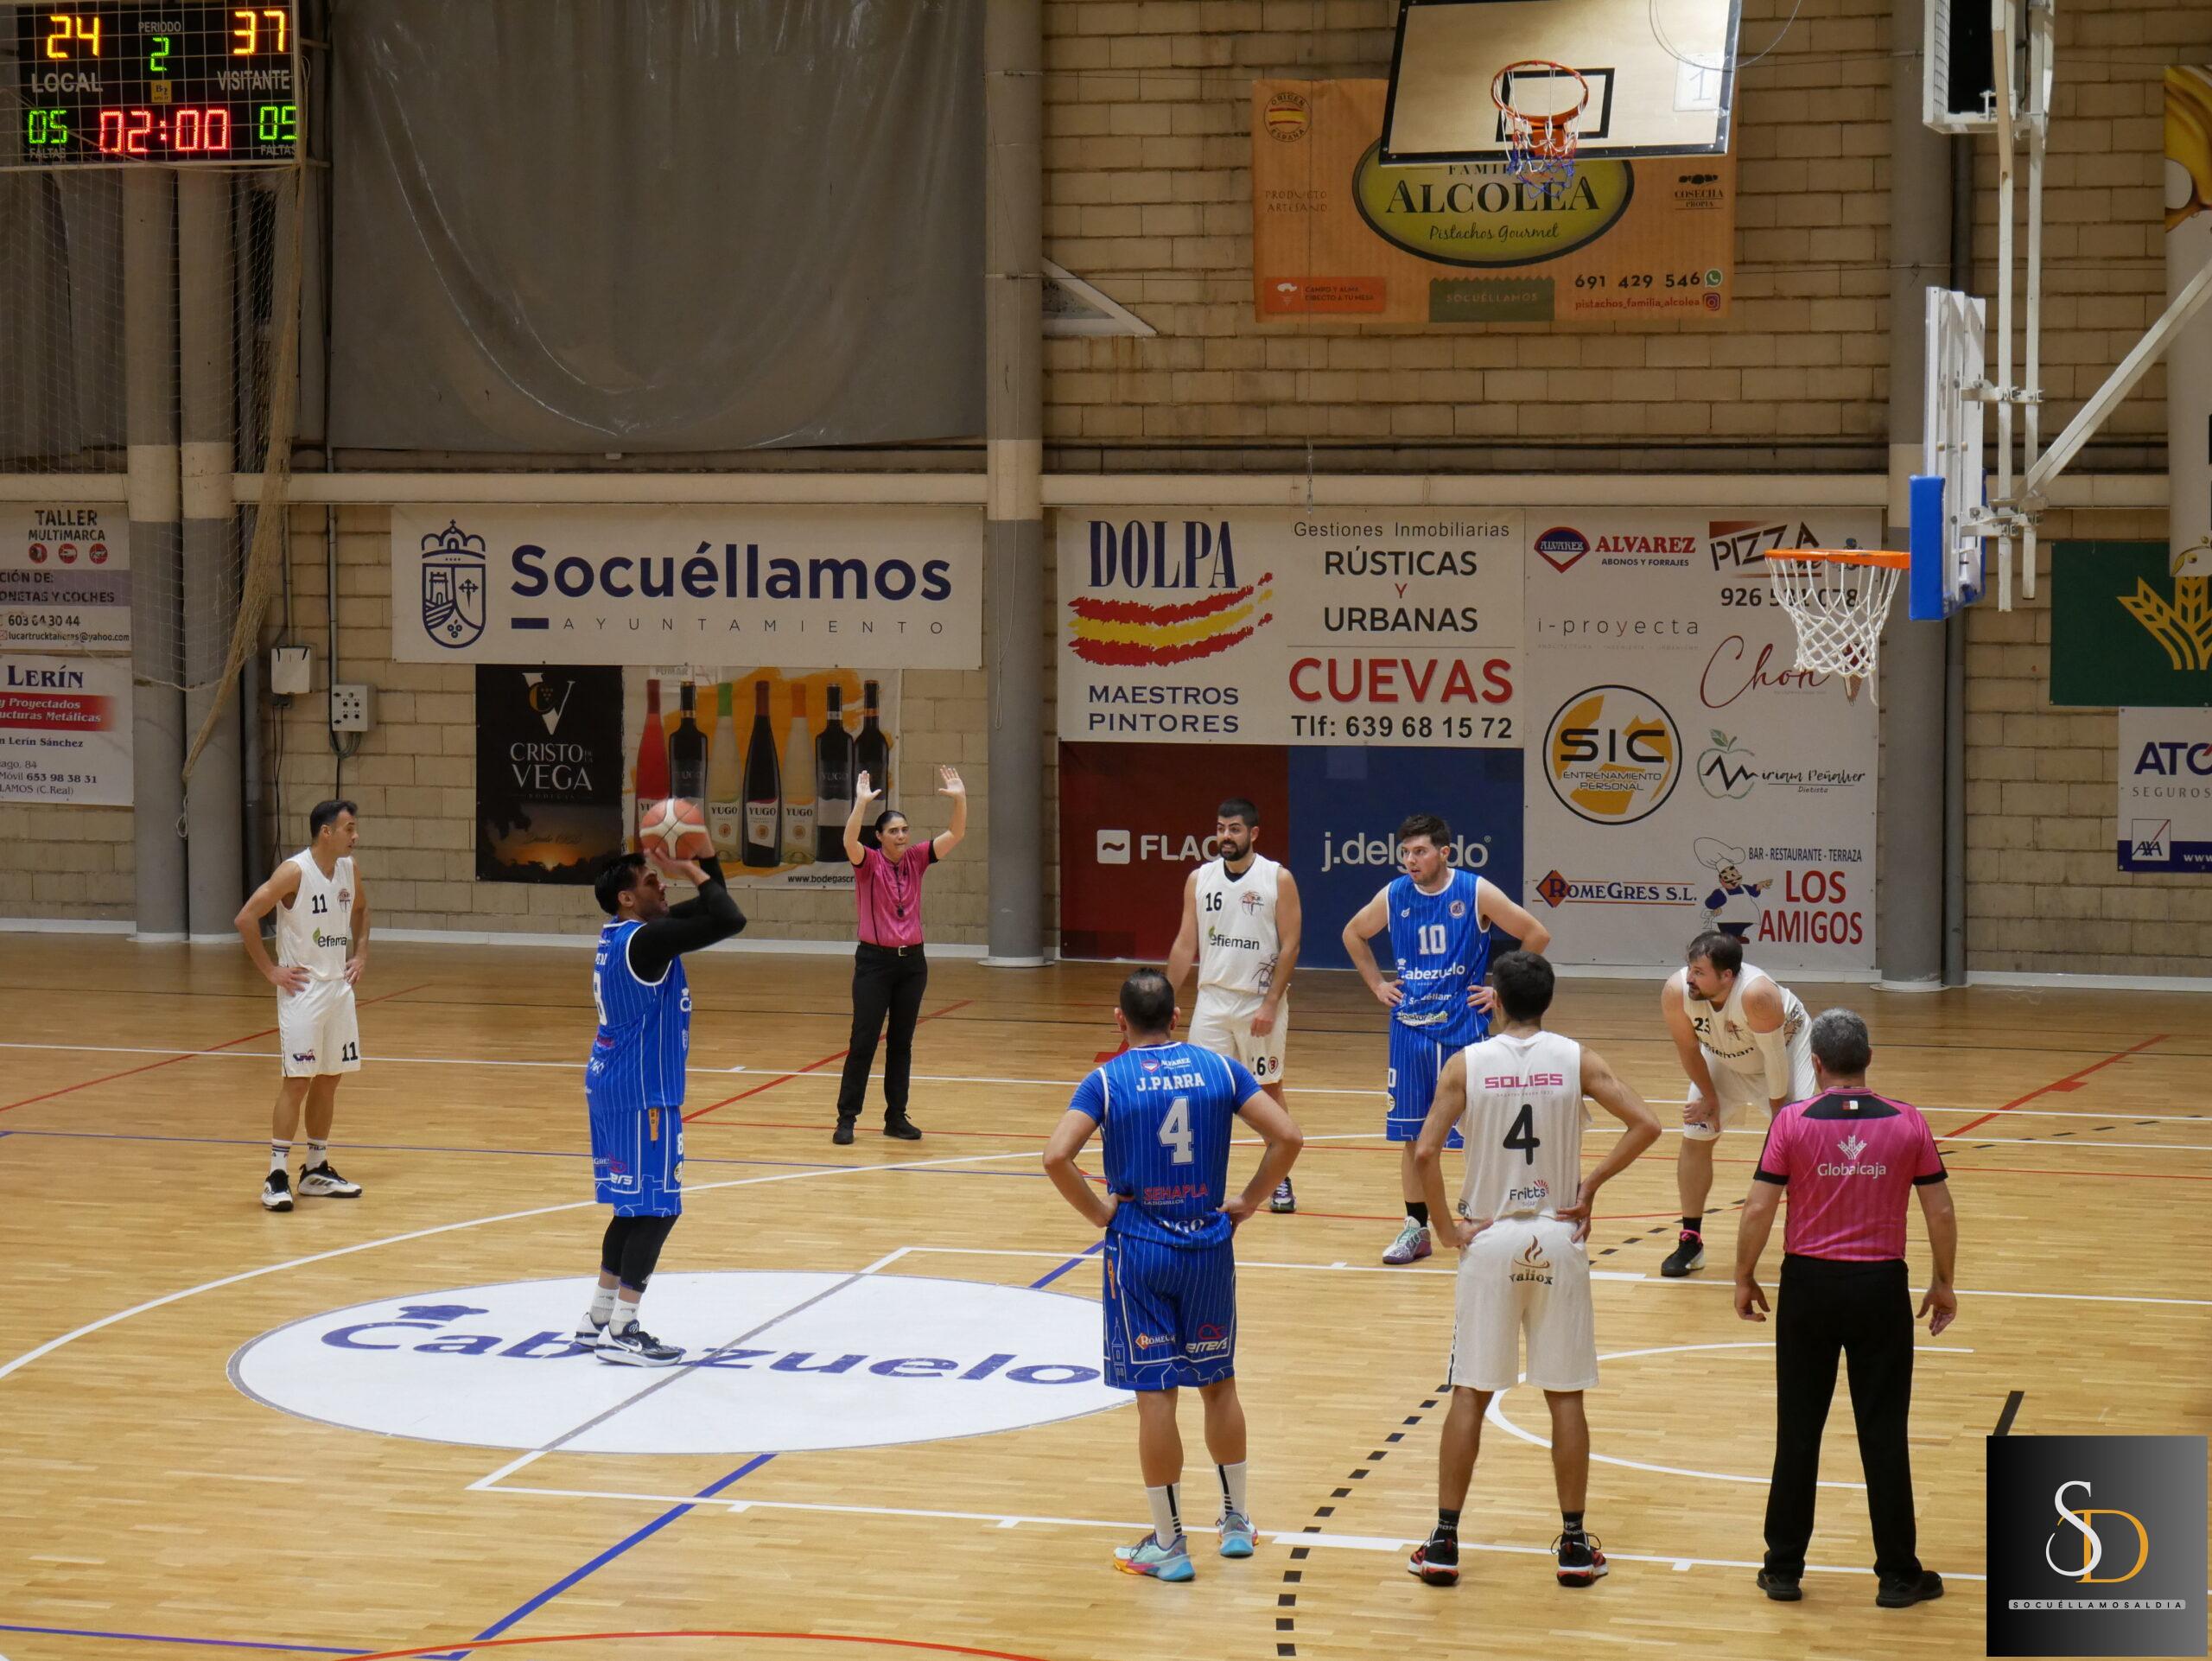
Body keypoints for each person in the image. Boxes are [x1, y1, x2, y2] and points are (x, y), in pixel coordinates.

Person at [1408, 951, 1661, 1590]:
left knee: (1470, 1392)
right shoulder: (1577, 1059)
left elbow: (1425, 1152)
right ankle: (1574, 1546)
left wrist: (1445, 1229)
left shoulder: (1466, 1064)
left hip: (1490, 1239)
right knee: (1565, 1395)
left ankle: (1443, 1542)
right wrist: (1591, 1184)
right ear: (1548, 999)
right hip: (1558, 1235)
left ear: (1494, 998)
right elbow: (1647, 1124)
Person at [1042, 969, 1304, 1582]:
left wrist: (1101, 1213)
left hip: (1139, 1249)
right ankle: (1235, 1524)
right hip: (1207, 1245)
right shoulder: (1220, 1069)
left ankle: (1169, 1544)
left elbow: (1056, 1156)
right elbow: (1288, 1136)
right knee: (1219, 1384)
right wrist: (1250, 1200)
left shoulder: (1107, 1080)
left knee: (1156, 1395)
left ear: (1120, 1021)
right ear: (1177, 1017)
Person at [1735, 1008, 1956, 1610]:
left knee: (1798, 1430)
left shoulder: (1791, 1122)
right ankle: (1898, 1576)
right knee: (1883, 1433)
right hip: (1880, 1288)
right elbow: (1939, 1209)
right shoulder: (1908, 1122)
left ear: (1815, 1064)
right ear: (1868, 1060)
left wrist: (1744, 1275)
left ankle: (1783, 1569)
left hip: (1808, 1288)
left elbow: (1759, 1209)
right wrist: (1943, 1282)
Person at [1342, 812, 1550, 1264]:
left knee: (1483, 1133)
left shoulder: (1474, 891)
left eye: (1420, 851)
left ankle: (1492, 1219)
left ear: (1444, 852)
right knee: (1413, 1137)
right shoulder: (1395, 894)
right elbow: (1353, 933)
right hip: (1409, 1032)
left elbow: (1536, 933)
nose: (1411, 860)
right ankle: (1416, 1228)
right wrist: (1377, 984)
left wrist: (1499, 988)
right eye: (1406, 853)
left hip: (1464, 1031)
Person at [576, 846, 747, 1365]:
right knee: (658, 1209)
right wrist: (693, 869)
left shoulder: (625, 936)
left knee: (633, 1208)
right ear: (627, 898)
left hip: (615, 1082)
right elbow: (730, 919)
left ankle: (598, 1316)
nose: (664, 885)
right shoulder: (646, 942)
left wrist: (705, 854)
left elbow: (714, 905)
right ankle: (625, 1329)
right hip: (642, 1092)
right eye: (653, 881)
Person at [1164, 796, 1302, 1213]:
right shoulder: (1199, 879)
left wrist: (1271, 1003)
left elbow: (1291, 945)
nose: (1226, 836)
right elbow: (1185, 942)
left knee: (1267, 1090)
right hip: (1212, 1000)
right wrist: (1164, 999)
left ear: (1253, 833)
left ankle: (1280, 1179)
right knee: (1201, 1090)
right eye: (1221, 828)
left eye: (1235, 829)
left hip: (1258, 1002)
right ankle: (1198, 1179)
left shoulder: (1277, 878)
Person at [234, 799, 371, 1212]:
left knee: (329, 1078)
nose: (355, 835)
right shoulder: (294, 871)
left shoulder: (348, 869)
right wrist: (271, 971)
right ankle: (276, 1175)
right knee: (297, 1082)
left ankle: (315, 1169)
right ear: (326, 832)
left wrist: (361, 953)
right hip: (304, 992)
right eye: (349, 828)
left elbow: (361, 909)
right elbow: (246, 918)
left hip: (338, 990)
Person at [1658, 931, 1815, 1277]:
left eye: (1699, 972)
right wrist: (1709, 1097)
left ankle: (1806, 1243)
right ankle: (1691, 1240)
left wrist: (1779, 1114)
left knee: (1799, 1144)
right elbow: (1687, 1049)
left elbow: (1774, 1059)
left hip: (1783, 1055)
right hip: (1723, 1057)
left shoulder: (1758, 996)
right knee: (1695, 1136)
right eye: (1689, 968)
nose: (1689, 978)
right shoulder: (1676, 992)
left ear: (1727, 975)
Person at [830, 766, 967, 1144]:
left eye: (905, 829)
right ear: (879, 836)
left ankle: (895, 1117)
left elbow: (956, 834)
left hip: (912, 965)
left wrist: (960, 799)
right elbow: (848, 841)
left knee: (901, 1043)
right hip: (874, 964)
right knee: (863, 1041)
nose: (902, 835)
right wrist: (860, 804)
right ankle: (847, 1118)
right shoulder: (868, 862)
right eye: (893, 831)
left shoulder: (918, 858)